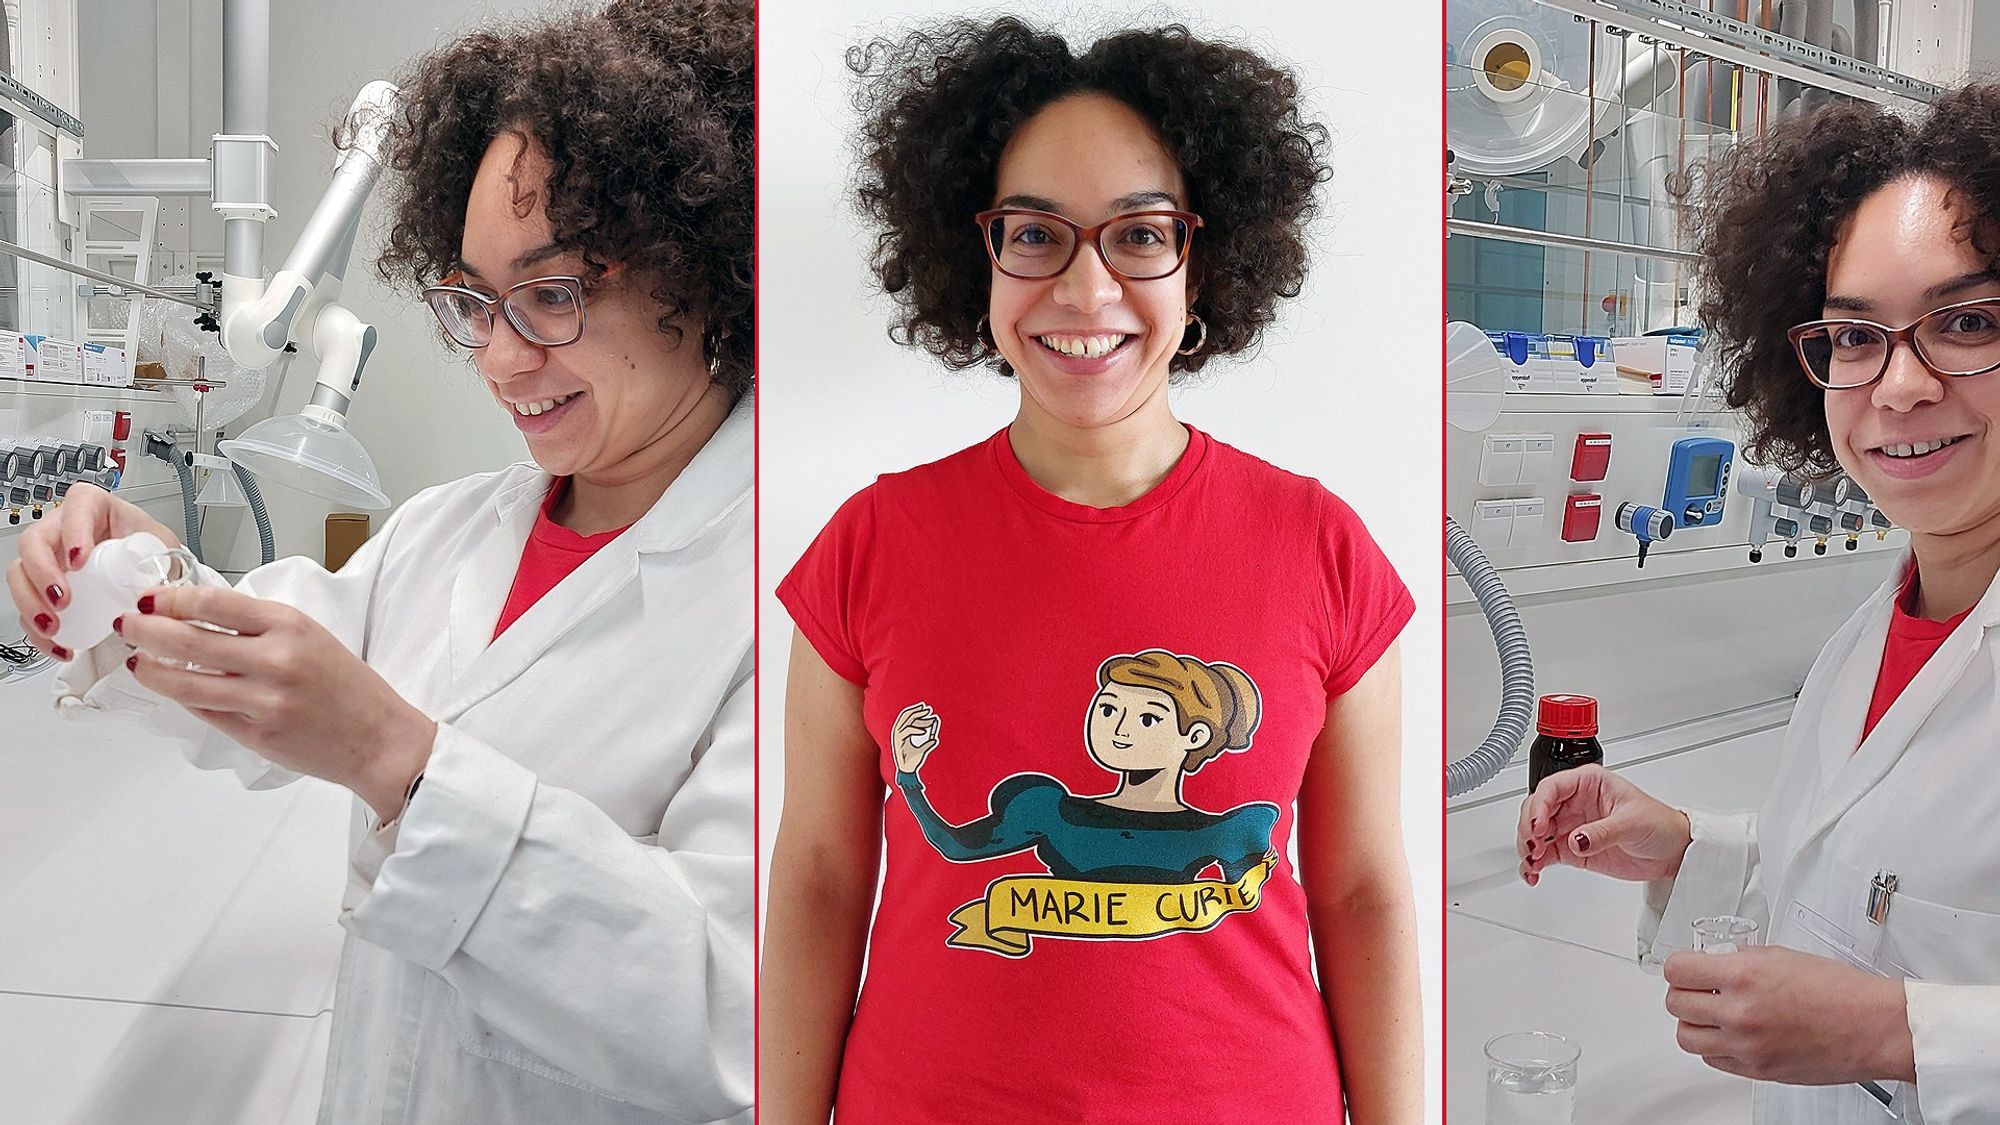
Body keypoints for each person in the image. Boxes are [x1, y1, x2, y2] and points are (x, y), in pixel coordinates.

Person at [3, 2, 752, 1120]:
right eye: (473, 300)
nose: (497, 357)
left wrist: (401, 765)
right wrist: (142, 589)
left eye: (549, 296)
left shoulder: (794, 584)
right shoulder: (449, 529)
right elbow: (286, 669)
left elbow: (735, 1023)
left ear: (699, 274)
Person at [761, 17, 1422, 1124]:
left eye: (1137, 235)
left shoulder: (1322, 547)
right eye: (1035, 234)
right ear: (975, 251)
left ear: (1200, 259)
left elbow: (1358, 892)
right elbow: (823, 876)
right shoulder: (870, 542)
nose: (1083, 289)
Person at [1516, 85, 2000, 1123]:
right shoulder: (1880, 627)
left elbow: (1895, 982)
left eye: (1964, 321)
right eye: (1854, 335)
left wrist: (1897, 1033)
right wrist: (1686, 843)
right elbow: (1870, 889)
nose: (1899, 386)